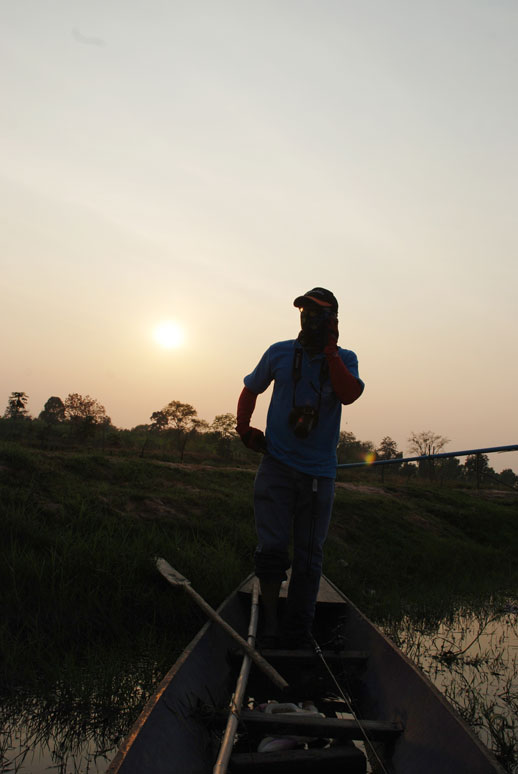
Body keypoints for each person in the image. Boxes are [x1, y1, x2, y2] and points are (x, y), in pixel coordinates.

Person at [236, 287, 364, 648]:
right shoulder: (278, 352)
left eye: (317, 314)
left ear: (332, 320)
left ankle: (298, 630)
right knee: (272, 548)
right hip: (276, 465)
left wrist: (331, 352)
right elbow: (250, 389)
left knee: (309, 559)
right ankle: (271, 625)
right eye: (304, 312)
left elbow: (348, 393)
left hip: (318, 475)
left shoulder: (345, 359)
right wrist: (244, 429)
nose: (308, 318)